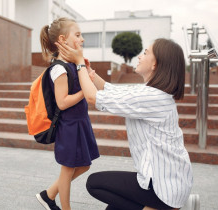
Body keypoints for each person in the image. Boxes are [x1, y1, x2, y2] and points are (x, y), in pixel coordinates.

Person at [55, 38, 193, 210]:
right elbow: (112, 90)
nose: (140, 56)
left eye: (146, 53)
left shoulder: (151, 97)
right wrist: (90, 71)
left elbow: (92, 97)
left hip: (163, 187)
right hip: (169, 179)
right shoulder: (151, 92)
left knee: (95, 183)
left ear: (155, 64)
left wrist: (80, 63)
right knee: (112, 207)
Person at [35, 17, 100, 210]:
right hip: (70, 125)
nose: (82, 39)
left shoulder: (73, 64)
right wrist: (85, 92)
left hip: (80, 122)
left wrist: (86, 73)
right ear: (63, 40)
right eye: (78, 35)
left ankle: (49, 195)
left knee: (84, 165)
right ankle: (65, 207)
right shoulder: (59, 69)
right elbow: (62, 103)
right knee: (68, 168)